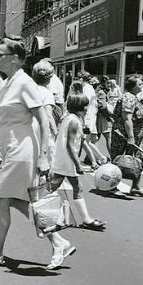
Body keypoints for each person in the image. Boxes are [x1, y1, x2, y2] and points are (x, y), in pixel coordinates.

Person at [0, 37, 72, 271]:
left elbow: (44, 120)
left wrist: (45, 155)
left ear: (14, 58)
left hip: (23, 149)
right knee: (17, 200)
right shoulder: (6, 83)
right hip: (11, 149)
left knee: (2, 198)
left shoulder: (25, 82)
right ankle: (58, 241)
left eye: (0, 54)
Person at [49, 92, 106, 231]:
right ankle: (86, 219)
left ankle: (41, 206)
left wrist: (92, 159)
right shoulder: (74, 121)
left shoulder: (70, 118)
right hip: (67, 160)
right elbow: (70, 144)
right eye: (86, 105)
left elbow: (80, 141)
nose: (88, 108)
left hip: (62, 158)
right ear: (81, 107)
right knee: (75, 187)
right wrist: (77, 163)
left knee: (54, 186)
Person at [110, 74, 143, 196]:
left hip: (136, 136)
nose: (142, 85)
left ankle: (135, 186)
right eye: (139, 83)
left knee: (140, 159)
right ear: (132, 86)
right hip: (124, 135)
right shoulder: (128, 97)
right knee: (119, 160)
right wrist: (131, 137)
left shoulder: (134, 97)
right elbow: (127, 118)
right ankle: (112, 187)